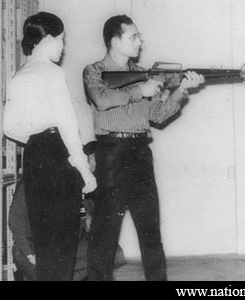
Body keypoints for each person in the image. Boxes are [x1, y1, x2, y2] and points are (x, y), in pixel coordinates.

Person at [83, 15, 204, 281]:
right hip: (112, 151)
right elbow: (101, 100)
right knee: (105, 233)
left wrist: (182, 90)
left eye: (139, 36)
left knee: (151, 233)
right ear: (115, 41)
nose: (140, 41)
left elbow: (159, 115)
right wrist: (141, 91)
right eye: (133, 37)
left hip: (140, 152)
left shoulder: (143, 75)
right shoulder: (94, 71)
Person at [3, 12, 96, 281]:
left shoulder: (18, 75)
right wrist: (86, 173)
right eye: (61, 39)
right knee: (63, 240)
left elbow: (9, 127)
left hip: (33, 155)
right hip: (58, 154)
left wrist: (36, 139)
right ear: (47, 39)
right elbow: (68, 126)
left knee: (43, 239)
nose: (62, 46)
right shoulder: (52, 73)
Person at [8, 141, 124, 281]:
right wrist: (29, 254)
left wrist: (88, 220)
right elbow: (15, 219)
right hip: (35, 249)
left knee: (115, 254)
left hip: (64, 249)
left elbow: (79, 227)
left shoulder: (77, 182)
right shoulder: (31, 181)